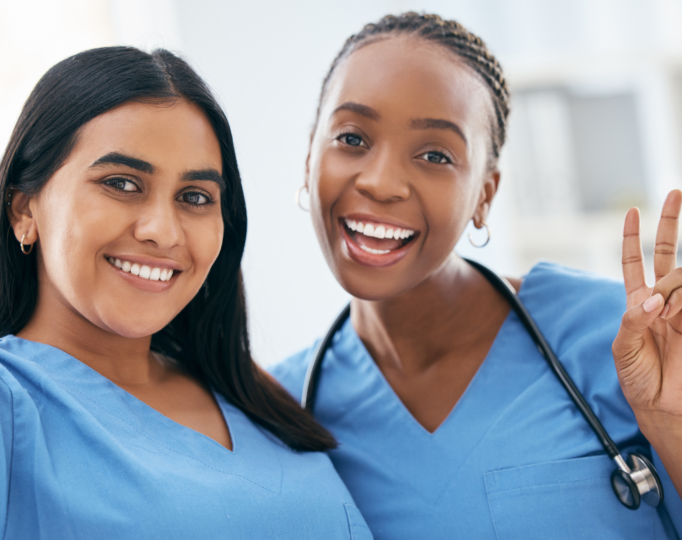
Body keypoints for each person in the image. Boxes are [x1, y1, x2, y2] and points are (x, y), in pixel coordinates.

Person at [270, 12, 682, 539]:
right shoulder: (281, 408)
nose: (380, 182)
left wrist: (670, 423)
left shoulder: (624, 340)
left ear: (485, 194)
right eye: (352, 139)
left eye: (435, 154)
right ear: (309, 155)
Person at [0, 47, 372, 540]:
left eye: (195, 197)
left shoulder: (257, 397)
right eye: (121, 183)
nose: (163, 231)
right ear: (24, 210)